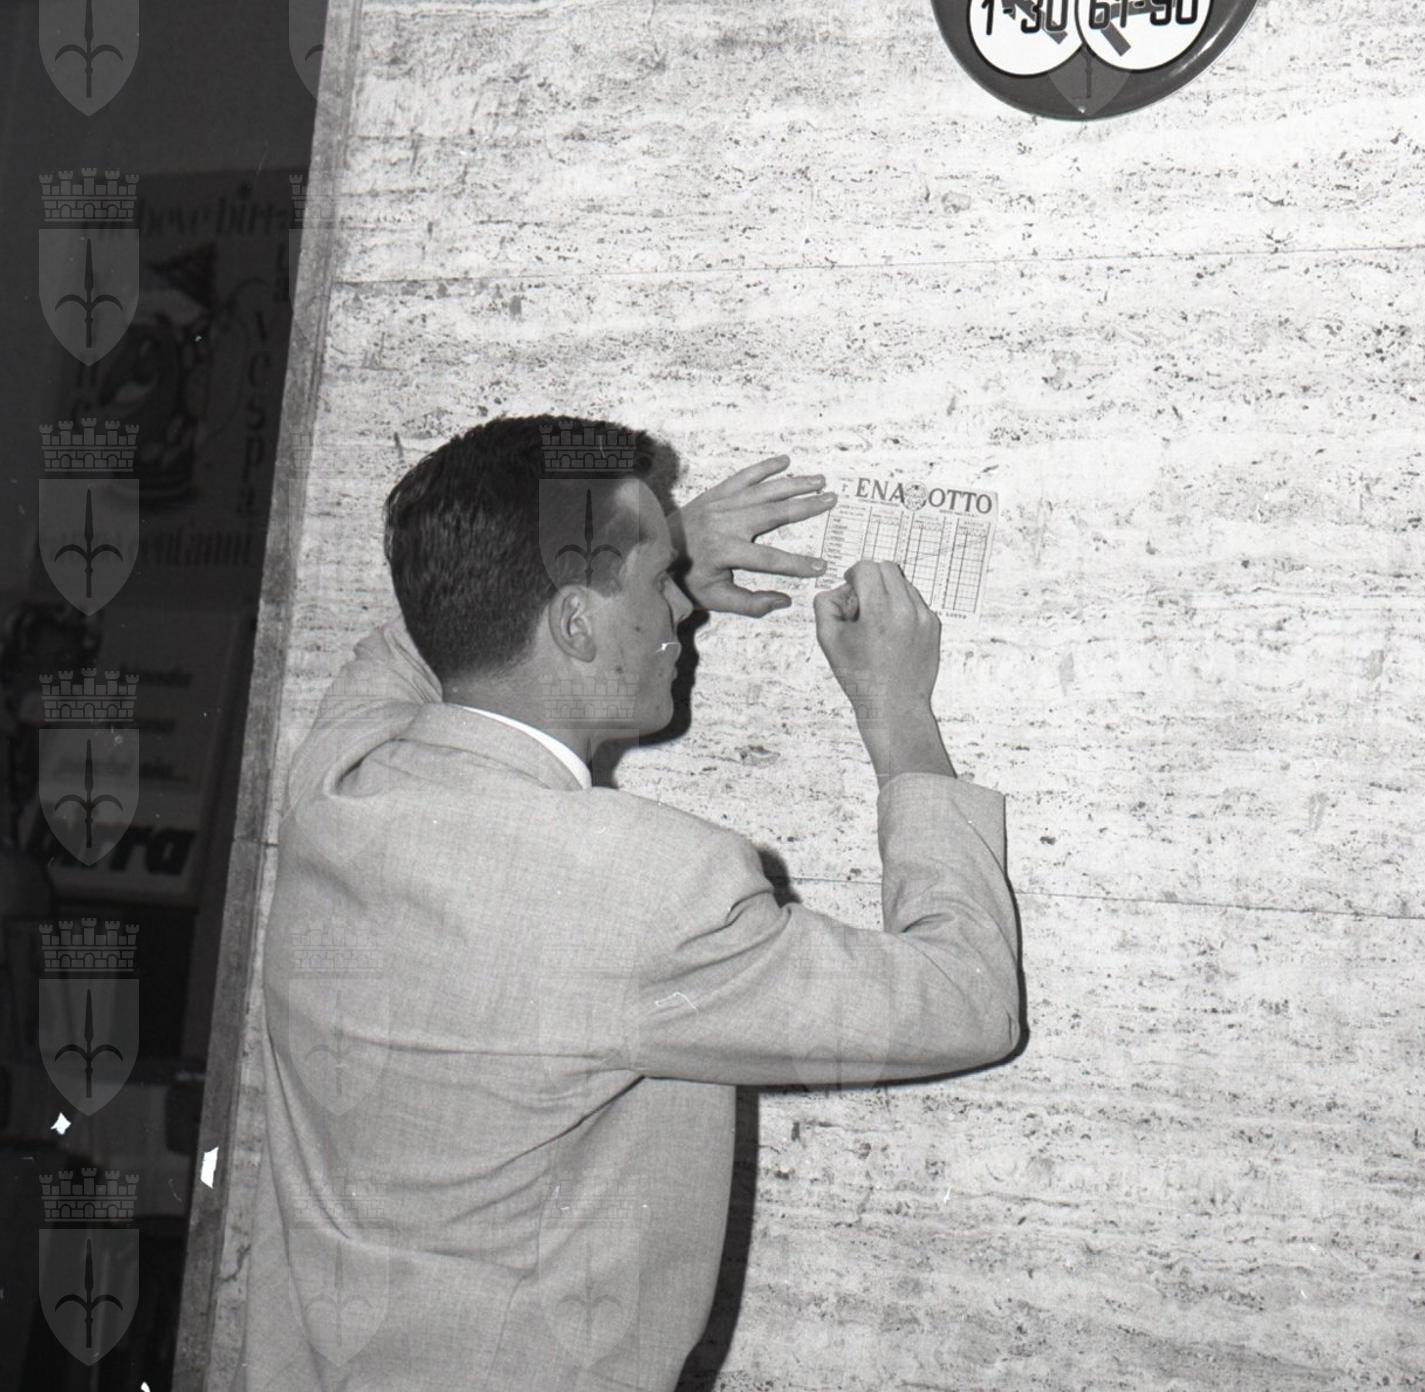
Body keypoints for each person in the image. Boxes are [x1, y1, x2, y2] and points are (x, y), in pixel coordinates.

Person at [239, 415, 1020, 1391]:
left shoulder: (333, 778)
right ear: (573, 622)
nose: (679, 613)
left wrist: (655, 545)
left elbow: (425, 624)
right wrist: (897, 711)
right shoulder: (651, 890)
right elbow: (965, 999)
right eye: (659, 584)